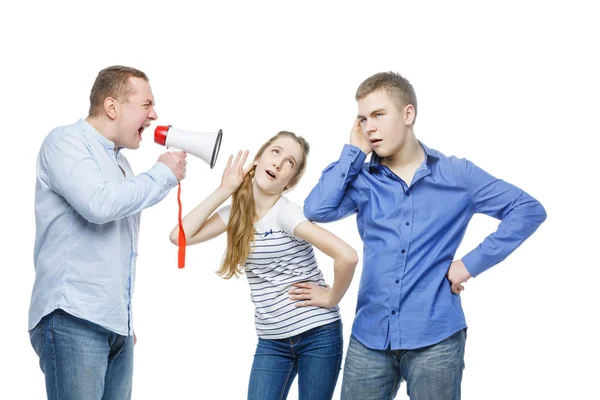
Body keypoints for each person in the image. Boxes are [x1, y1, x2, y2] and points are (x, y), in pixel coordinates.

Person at [303, 71, 547, 400]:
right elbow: (317, 209)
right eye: (362, 119)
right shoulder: (363, 179)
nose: (369, 127)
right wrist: (352, 153)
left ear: (408, 114)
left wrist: (468, 265)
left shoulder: (457, 175)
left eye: (377, 115)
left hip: (436, 339)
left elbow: (527, 209)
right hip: (370, 338)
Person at [29, 65, 187, 400]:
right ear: (112, 107)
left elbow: (116, 245)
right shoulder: (66, 142)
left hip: (116, 327)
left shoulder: (121, 166)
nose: (154, 114)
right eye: (146, 104)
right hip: (73, 317)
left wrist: (122, 322)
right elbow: (98, 204)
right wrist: (161, 173)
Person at [170, 131, 358, 399]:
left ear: (289, 182)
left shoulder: (286, 213)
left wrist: (331, 297)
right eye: (276, 151)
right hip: (272, 341)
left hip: (317, 334)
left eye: (290, 162)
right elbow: (179, 236)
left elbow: (347, 256)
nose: (279, 163)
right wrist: (225, 190)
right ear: (258, 159)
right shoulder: (235, 214)